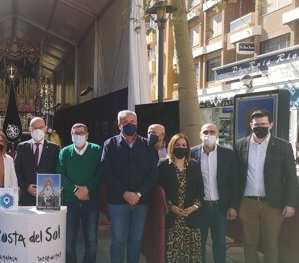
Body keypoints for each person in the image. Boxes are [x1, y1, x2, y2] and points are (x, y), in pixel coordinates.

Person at [234, 109, 299, 263]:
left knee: (270, 244)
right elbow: (236, 177)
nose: (260, 127)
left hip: (273, 204)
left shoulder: (283, 146)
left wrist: (290, 204)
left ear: (271, 124)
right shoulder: (240, 145)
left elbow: (290, 178)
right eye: (256, 124)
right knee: (249, 243)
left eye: (263, 124)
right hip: (247, 203)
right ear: (251, 125)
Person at [100, 110, 158, 263]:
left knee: (136, 241)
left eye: (133, 122)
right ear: (119, 125)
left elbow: (153, 174)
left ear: (137, 123)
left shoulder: (147, 145)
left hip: (141, 202)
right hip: (118, 202)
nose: (130, 125)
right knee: (118, 240)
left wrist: (138, 194)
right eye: (126, 122)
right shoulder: (110, 144)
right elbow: (106, 173)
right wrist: (124, 193)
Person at [190, 123, 239, 263]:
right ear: (200, 134)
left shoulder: (228, 154)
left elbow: (234, 182)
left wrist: (233, 206)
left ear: (217, 135)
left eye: (212, 132)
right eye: (205, 131)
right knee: (199, 243)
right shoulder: (192, 153)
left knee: (219, 243)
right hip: (200, 207)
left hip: (220, 207)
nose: (209, 134)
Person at [57, 123, 102, 263]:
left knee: (91, 240)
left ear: (87, 135)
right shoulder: (64, 152)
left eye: (81, 133)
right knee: (69, 241)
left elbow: (101, 174)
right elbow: (60, 175)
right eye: (75, 133)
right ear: (71, 136)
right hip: (70, 202)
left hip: (91, 201)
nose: (78, 135)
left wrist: (87, 189)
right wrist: (76, 190)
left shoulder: (97, 150)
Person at [159, 133, 204, 263]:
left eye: (184, 145)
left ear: (188, 148)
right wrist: (170, 206)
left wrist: (194, 207)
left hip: (191, 219)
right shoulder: (163, 165)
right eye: (177, 145)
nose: (181, 147)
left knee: (192, 256)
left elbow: (200, 192)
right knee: (173, 256)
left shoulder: (194, 165)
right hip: (172, 219)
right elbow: (159, 192)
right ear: (172, 146)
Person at [14, 117, 60, 206]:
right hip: (27, 197)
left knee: (46, 220)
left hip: (48, 197)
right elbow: (16, 170)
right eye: (35, 128)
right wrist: (26, 187)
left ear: (46, 128)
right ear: (30, 129)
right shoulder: (22, 147)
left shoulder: (55, 148)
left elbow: (57, 171)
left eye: (41, 127)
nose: (38, 130)